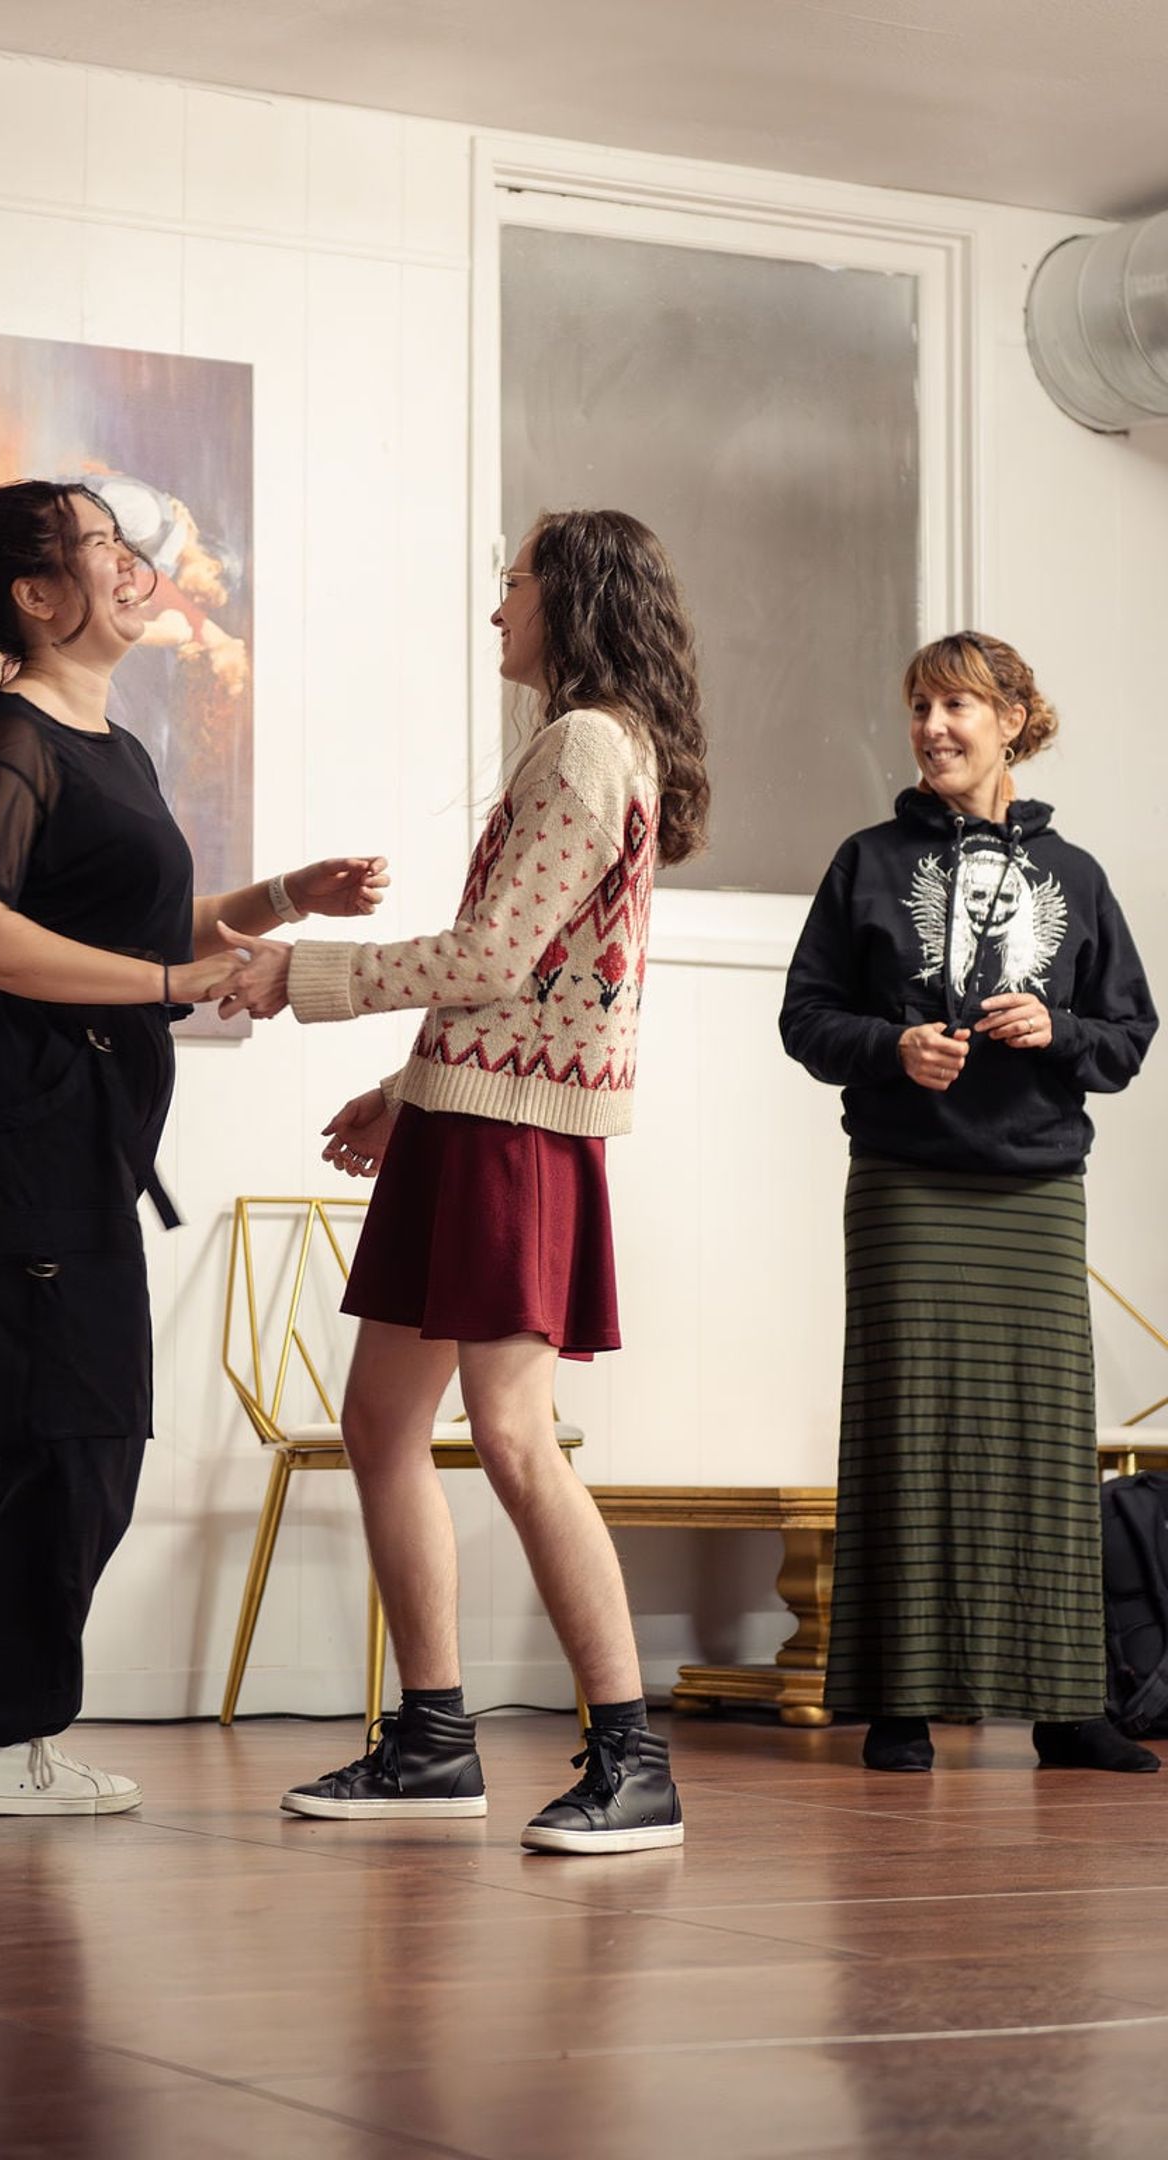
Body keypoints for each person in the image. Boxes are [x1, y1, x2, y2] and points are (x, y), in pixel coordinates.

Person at [0, 480, 388, 1816]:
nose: (136, 566)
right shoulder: (7, 740)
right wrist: (170, 990)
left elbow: (134, 916)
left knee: (49, 1429)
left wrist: (279, 899)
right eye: (106, 547)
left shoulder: (102, 747)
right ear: (38, 595)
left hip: (66, 1124)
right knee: (85, 1434)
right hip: (22, 1117)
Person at [214, 509, 709, 1852]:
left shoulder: (587, 747)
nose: (498, 612)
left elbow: (492, 953)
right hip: (473, 1116)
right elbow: (532, 978)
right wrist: (407, 1092)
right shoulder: (581, 745)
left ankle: (631, 1760)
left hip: (513, 1138)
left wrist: (300, 975)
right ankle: (433, 1743)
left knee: (508, 1437)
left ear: (572, 598)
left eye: (513, 586)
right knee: (383, 1424)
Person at [780, 630, 1159, 1774]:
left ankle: (1065, 1706)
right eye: (920, 706)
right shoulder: (866, 860)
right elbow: (807, 1020)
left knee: (1045, 1448)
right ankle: (899, 1705)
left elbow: (1129, 1035)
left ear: (1011, 721)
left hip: (1036, 1187)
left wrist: (1061, 1032)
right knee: (907, 1439)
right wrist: (895, 1047)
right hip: (906, 1184)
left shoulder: (1079, 877)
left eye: (957, 706)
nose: (934, 727)